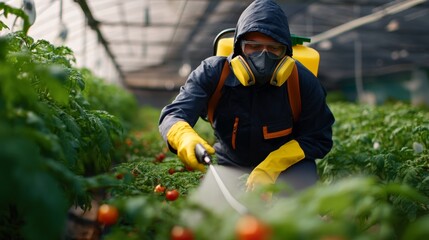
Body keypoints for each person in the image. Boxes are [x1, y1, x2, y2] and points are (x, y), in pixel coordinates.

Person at [159, 0, 335, 194]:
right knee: (213, 216)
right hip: (231, 163)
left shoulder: (301, 80)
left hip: (287, 168)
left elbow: (319, 137)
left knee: (294, 217)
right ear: (239, 47)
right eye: (254, 46)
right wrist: (183, 137)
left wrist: (274, 165)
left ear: (286, 51)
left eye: (274, 48)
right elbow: (174, 113)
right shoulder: (213, 73)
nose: (263, 56)